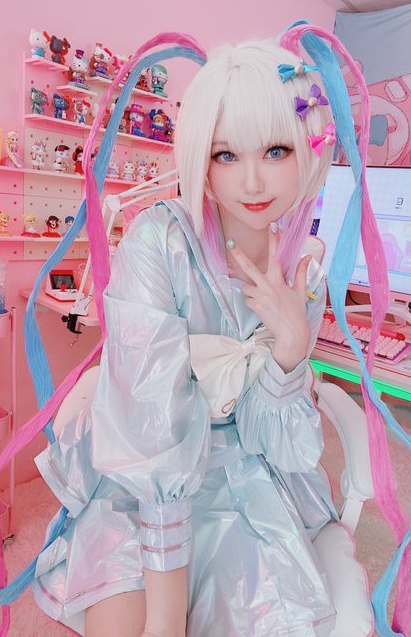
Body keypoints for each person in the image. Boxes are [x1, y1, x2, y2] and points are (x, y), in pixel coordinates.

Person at [31, 38, 350, 637]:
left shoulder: (303, 273)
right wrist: (164, 620)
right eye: (226, 154)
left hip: (248, 477)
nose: (251, 180)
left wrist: (289, 352)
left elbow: (278, 446)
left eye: (275, 150)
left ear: (310, 148)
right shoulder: (158, 242)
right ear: (201, 158)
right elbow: (149, 432)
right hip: (141, 484)